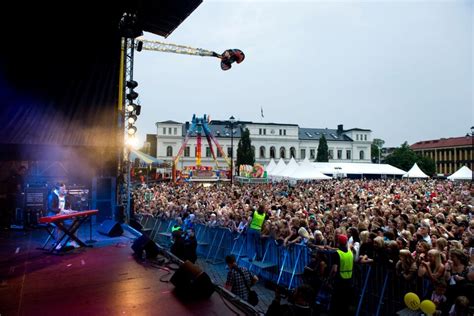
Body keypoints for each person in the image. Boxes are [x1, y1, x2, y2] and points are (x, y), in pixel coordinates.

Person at [329, 234, 354, 316]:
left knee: (337, 301)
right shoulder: (350, 253)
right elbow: (349, 247)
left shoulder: (336, 253)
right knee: (345, 301)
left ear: (338, 242)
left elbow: (334, 269)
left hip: (339, 280)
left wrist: (330, 278)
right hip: (349, 280)